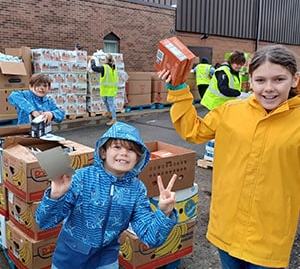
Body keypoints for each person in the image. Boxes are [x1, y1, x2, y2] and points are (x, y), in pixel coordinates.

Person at [157, 44, 300, 269]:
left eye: (279, 79)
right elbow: (192, 131)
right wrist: (179, 88)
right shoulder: (231, 111)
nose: (269, 88)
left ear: (294, 80)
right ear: (250, 81)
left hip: (270, 235)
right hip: (227, 226)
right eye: (260, 80)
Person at [35, 121, 178, 269]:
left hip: (106, 258)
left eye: (131, 150)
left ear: (138, 158)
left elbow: (151, 237)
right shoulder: (82, 177)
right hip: (70, 254)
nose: (124, 153)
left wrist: (164, 213)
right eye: (117, 147)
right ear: (103, 152)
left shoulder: (137, 189)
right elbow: (44, 222)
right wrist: (55, 196)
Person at [90, 54, 118, 126]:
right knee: (105, 100)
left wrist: (92, 60)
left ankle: (114, 119)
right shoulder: (113, 66)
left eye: (104, 59)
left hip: (108, 89)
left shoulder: (105, 67)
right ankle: (109, 112)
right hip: (109, 88)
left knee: (111, 104)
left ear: (107, 60)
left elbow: (94, 68)